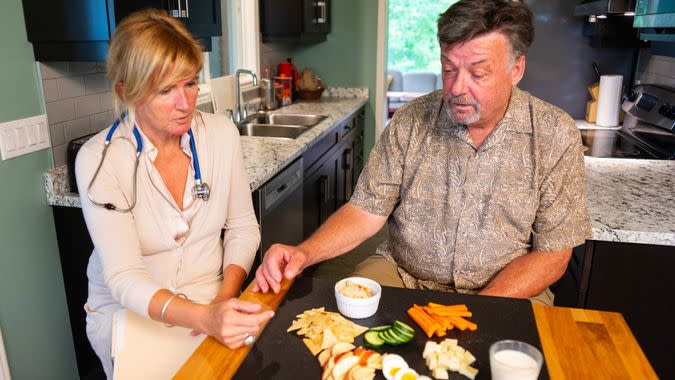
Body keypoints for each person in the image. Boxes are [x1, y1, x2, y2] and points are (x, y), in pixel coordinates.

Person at [253, 0, 591, 306]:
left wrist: (477, 307)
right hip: (402, 275)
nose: (457, 88)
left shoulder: (554, 134)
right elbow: (365, 211)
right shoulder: (410, 121)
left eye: (477, 73)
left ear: (516, 69)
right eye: (448, 69)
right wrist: (304, 252)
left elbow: (554, 254)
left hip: (509, 288)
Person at [75, 9, 273, 377]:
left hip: (211, 296)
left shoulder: (219, 134)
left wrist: (222, 302)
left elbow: (243, 227)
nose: (185, 103)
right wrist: (203, 317)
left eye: (190, 83)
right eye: (166, 90)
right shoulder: (99, 161)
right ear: (125, 91)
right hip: (134, 312)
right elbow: (124, 277)